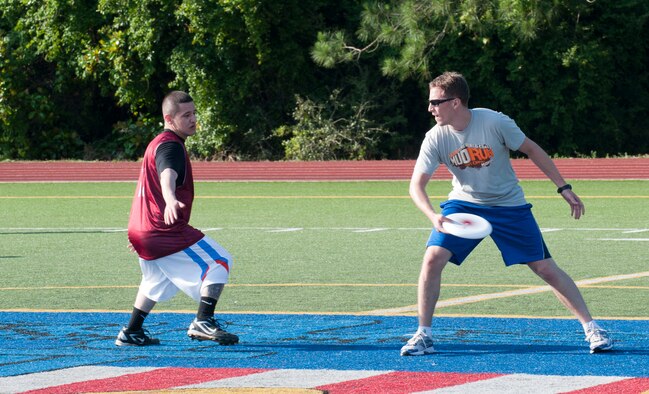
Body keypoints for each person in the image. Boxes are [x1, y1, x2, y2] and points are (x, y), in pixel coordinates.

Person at [401, 71, 612, 356]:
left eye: (436, 102)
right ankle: (423, 335)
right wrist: (432, 215)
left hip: (508, 204)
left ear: (456, 102)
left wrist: (563, 187)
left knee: (545, 268)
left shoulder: (494, 121)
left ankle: (592, 329)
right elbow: (416, 186)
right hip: (464, 205)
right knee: (432, 258)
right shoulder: (436, 137)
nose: (430, 108)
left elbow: (532, 149)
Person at [115, 91, 238, 346]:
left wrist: (142, 233)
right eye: (186, 115)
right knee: (220, 260)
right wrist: (170, 198)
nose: (193, 119)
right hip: (163, 230)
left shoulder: (158, 142)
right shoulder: (170, 145)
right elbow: (166, 173)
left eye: (194, 113)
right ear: (169, 118)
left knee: (155, 279)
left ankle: (131, 331)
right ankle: (204, 320)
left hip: (143, 229)